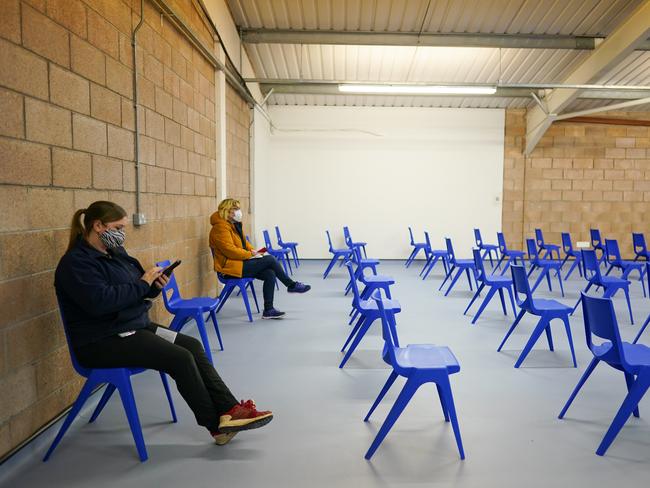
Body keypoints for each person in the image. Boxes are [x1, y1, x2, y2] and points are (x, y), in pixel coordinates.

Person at [55, 201, 272, 446]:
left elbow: (136, 291)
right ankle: (217, 426)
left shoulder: (117, 254)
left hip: (136, 327)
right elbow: (100, 303)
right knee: (180, 358)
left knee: (192, 346)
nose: (123, 234)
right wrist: (142, 284)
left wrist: (152, 288)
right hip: (104, 340)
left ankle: (230, 409)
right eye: (118, 227)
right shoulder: (76, 264)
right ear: (98, 226)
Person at [209, 198, 310, 319]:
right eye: (235, 209)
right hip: (229, 269)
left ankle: (268, 310)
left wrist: (253, 251)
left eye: (238, 209)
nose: (238, 212)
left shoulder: (233, 225)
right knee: (270, 259)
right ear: (226, 211)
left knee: (270, 273)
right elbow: (230, 251)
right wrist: (251, 255)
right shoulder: (220, 228)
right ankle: (291, 285)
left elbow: (244, 243)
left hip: (240, 263)